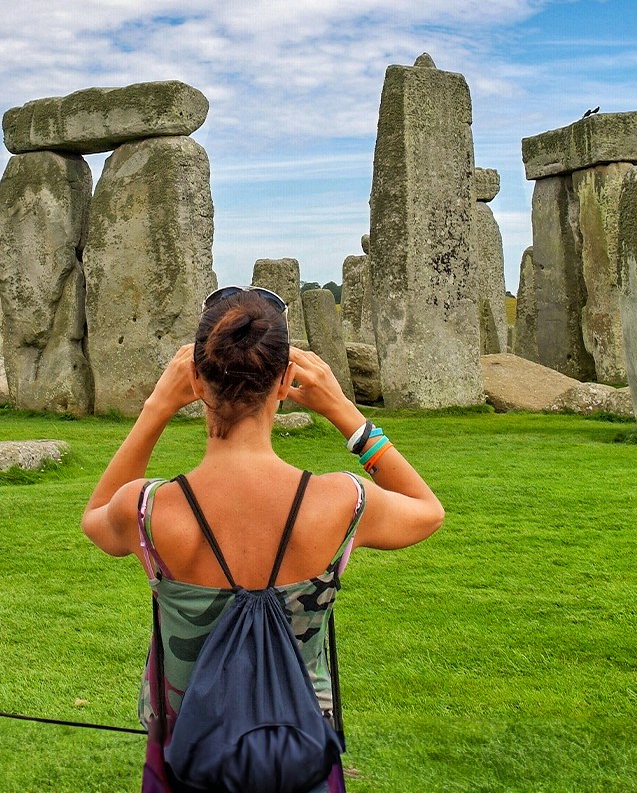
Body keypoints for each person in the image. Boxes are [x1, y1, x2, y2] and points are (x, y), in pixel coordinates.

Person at [82, 286, 445, 792]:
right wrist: (345, 413)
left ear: (196, 380)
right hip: (300, 740)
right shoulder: (342, 502)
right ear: (284, 382)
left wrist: (156, 408)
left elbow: (95, 514)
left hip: (186, 747)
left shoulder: (147, 509)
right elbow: (429, 511)